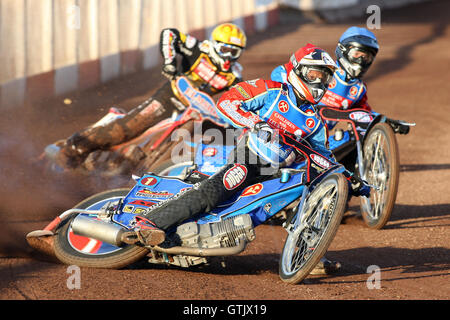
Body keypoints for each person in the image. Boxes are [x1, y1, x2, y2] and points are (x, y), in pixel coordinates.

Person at [121, 44, 353, 275]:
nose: (319, 82)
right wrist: (256, 122)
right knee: (221, 187)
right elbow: (227, 102)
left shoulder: (316, 122)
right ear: (299, 70)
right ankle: (151, 222)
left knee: (308, 195)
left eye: (325, 77)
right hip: (249, 156)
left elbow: (324, 157)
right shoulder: (270, 89)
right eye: (315, 74)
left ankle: (308, 253)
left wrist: (351, 179)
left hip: (280, 172)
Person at [55, 23, 247, 169]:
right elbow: (169, 33)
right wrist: (170, 62)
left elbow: (238, 98)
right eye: (225, 50)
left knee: (188, 142)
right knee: (127, 130)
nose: (229, 56)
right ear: (215, 45)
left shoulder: (234, 75)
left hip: (191, 112)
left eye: (234, 52)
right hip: (168, 98)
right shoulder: (198, 48)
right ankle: (73, 148)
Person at [271, 26, 379, 122]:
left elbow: (365, 113)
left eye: (366, 57)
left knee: (353, 136)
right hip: (286, 122)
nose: (361, 60)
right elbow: (279, 72)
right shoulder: (323, 69)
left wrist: (384, 120)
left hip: (317, 138)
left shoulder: (359, 89)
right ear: (343, 50)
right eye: (356, 54)